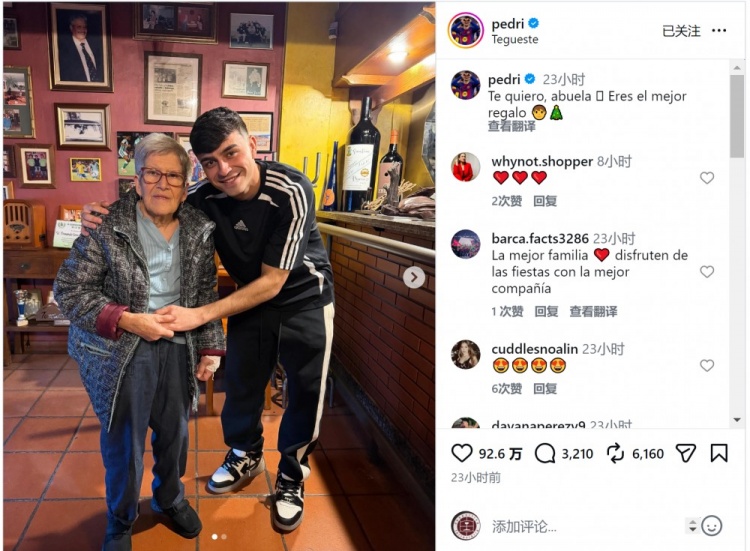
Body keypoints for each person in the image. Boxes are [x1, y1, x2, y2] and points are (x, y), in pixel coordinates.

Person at [81, 107, 335, 533]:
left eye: (231, 153)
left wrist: (199, 316)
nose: (224, 169)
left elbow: (273, 282)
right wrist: (100, 213)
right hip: (249, 301)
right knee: (242, 384)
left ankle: (292, 476)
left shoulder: (291, 188)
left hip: (304, 298)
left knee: (306, 391)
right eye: (210, 162)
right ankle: (245, 453)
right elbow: (155, 198)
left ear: (251, 145)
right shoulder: (203, 196)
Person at [55, 134, 225, 551]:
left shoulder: (199, 228)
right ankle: (120, 518)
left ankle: (170, 498)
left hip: (179, 346)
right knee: (125, 441)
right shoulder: (105, 224)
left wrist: (210, 347)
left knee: (175, 434)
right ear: (137, 178)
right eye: (152, 173)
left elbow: (205, 293)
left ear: (186, 184)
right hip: (123, 349)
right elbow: (69, 291)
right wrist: (129, 320)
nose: (162, 183)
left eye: (173, 176)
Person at [57, 13, 104, 83]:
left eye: (84, 27)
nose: (83, 30)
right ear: (71, 28)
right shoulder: (64, 51)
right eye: (79, 27)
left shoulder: (97, 44)